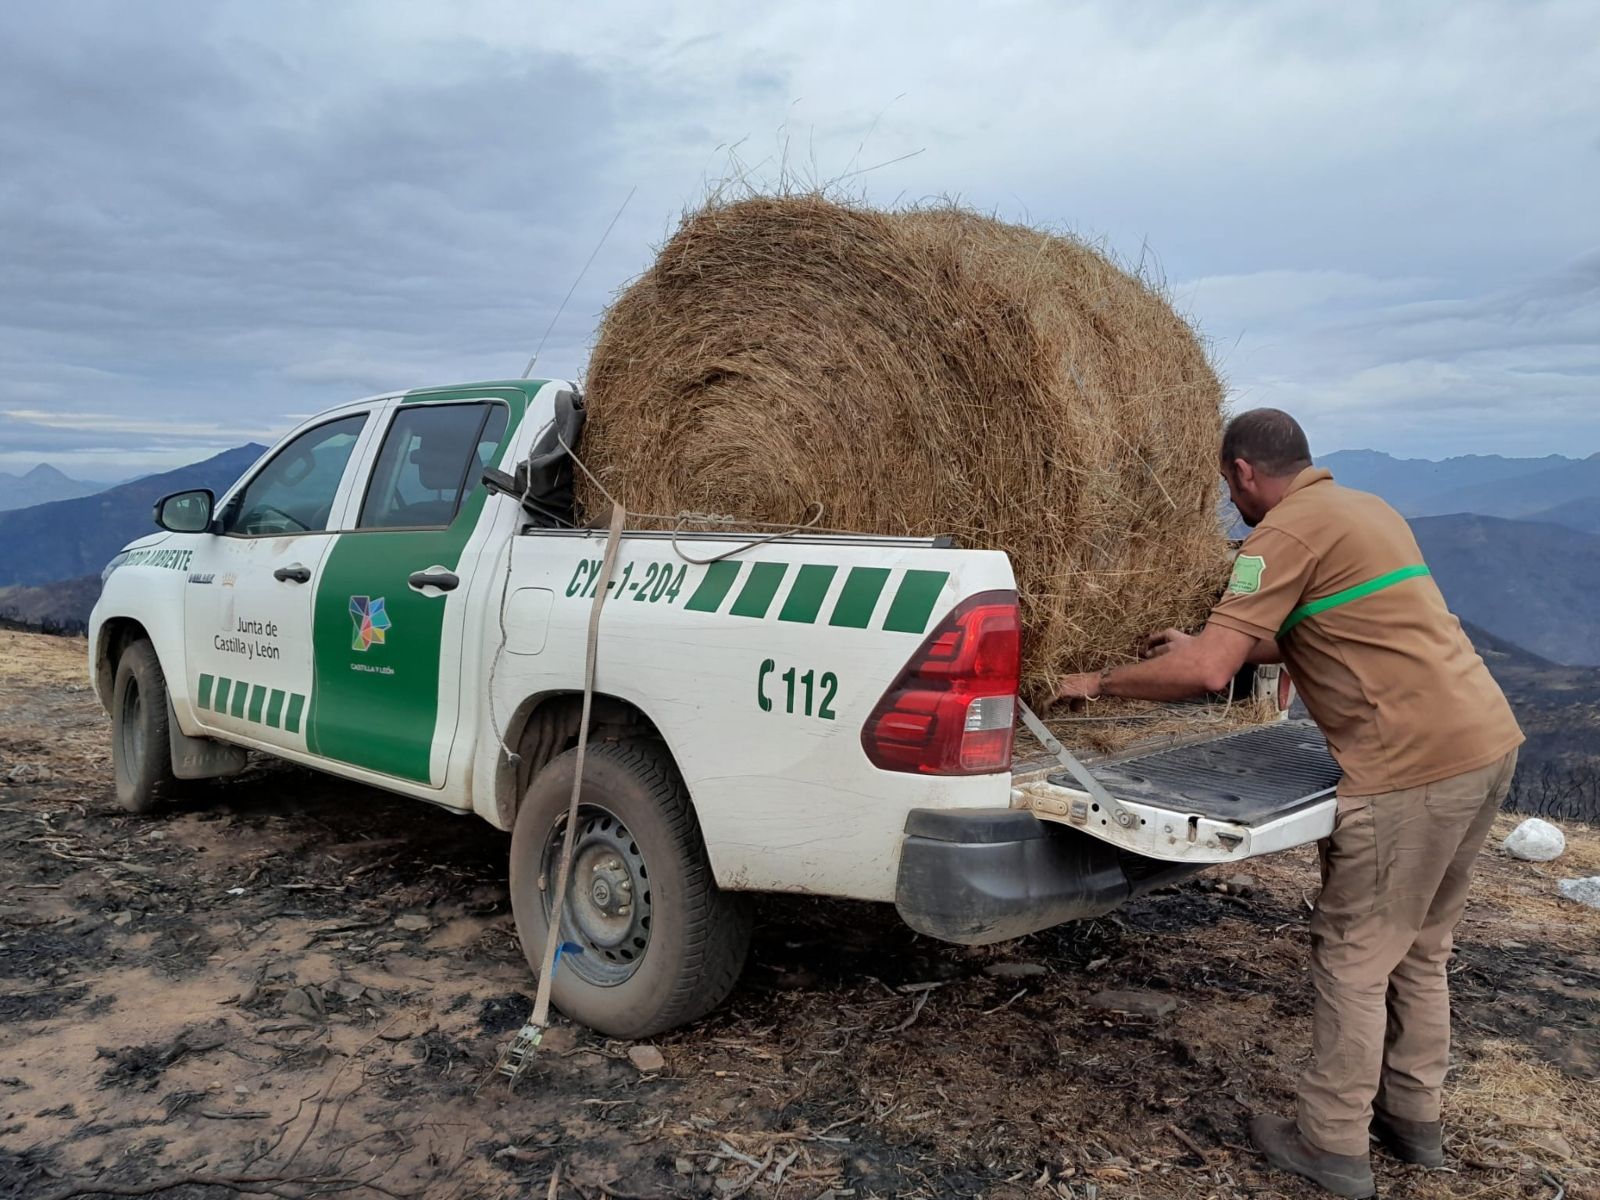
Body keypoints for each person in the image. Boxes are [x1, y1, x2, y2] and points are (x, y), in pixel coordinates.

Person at [1054, 408, 1523, 1199]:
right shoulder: (1365, 510)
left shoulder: (1278, 537)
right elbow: (1329, 622)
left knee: (1354, 955)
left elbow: (1209, 674)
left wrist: (1095, 683)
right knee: (1419, 946)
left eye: (1227, 485)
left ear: (1243, 471)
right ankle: (1413, 1122)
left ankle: (1330, 1145)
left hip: (1410, 770)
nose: (1231, 502)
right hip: (1484, 745)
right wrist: (1219, 641)